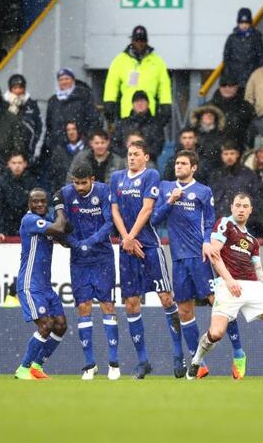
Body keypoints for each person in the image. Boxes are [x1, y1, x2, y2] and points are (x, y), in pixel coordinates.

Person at [187, 192, 263, 380]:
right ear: (232, 207)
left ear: (250, 210)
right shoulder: (225, 224)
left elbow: (259, 271)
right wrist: (229, 280)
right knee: (216, 333)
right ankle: (196, 361)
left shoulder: (252, 241)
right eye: (238, 205)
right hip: (228, 285)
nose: (241, 209)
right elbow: (214, 254)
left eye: (245, 206)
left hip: (253, 286)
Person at [151, 150, 247, 379]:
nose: (179, 166)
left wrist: (206, 242)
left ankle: (238, 353)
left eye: (183, 163)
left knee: (219, 302)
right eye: (177, 163)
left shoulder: (203, 191)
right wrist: (170, 202)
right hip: (178, 257)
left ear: (193, 167)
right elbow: (154, 219)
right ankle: (198, 362)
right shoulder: (165, 188)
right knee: (184, 309)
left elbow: (209, 221)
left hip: (199, 256)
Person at [109, 139, 182, 379]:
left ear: (146, 157)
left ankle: (178, 356)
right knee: (131, 303)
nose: (131, 158)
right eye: (129, 154)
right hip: (127, 249)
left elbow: (147, 209)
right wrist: (126, 239)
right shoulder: (117, 178)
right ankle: (143, 361)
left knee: (166, 297)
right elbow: (114, 211)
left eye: (136, 154)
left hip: (149, 246)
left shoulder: (151, 175)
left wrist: (131, 237)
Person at [53, 163, 120, 380]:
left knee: (107, 305)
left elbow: (110, 223)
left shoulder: (103, 191)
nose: (80, 187)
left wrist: (89, 242)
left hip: (102, 257)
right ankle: (90, 364)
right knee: (83, 307)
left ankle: (113, 362)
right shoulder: (65, 194)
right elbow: (59, 226)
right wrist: (76, 244)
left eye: (84, 183)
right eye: (76, 183)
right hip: (79, 259)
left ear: (92, 179)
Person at [14, 189, 70, 380]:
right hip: (30, 284)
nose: (39, 204)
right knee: (46, 325)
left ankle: (36, 366)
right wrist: (60, 207)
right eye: (35, 201)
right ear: (29, 204)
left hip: (45, 286)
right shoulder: (29, 220)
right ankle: (23, 368)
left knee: (60, 325)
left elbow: (64, 238)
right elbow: (59, 228)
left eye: (42, 201)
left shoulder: (46, 222)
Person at [103, 25, 172, 125]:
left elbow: (164, 86)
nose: (140, 43)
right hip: (127, 113)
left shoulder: (157, 62)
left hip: (149, 113)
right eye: (137, 40)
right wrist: (109, 102)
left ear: (147, 41)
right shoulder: (120, 61)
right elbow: (111, 84)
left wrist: (166, 105)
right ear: (132, 41)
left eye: (142, 40)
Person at [45, 68, 101, 163]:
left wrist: (87, 139)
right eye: (61, 79)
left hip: (81, 144)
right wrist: (51, 143)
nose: (64, 82)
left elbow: (94, 119)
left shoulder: (84, 96)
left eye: (67, 79)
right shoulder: (53, 101)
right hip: (59, 146)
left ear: (73, 80)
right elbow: (49, 126)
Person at [0, 152, 38, 241]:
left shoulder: (31, 181)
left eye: (20, 163)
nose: (17, 166)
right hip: (6, 225)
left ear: (25, 164)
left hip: (26, 225)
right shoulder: (0, 181)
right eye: (14, 163)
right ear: (9, 164)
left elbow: (35, 208)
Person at [111, 90, 165, 160]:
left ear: (148, 104)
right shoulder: (123, 123)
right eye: (136, 101)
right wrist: (129, 153)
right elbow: (114, 144)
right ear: (132, 105)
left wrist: (141, 153)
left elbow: (158, 146)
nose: (139, 104)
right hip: (125, 160)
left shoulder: (156, 124)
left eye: (142, 101)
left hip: (147, 161)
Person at [209, 142, 258, 217]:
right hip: (219, 217)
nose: (229, 157)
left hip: (240, 218)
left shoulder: (248, 174)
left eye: (232, 153)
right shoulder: (215, 175)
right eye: (226, 154)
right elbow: (210, 198)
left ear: (237, 154)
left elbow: (254, 198)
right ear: (222, 156)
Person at [3, 74, 42, 164]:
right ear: (10, 89)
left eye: (20, 87)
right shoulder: (3, 105)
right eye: (15, 88)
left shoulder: (32, 104)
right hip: (6, 152)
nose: (18, 91)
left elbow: (39, 127)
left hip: (28, 151)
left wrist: (35, 147)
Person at [208, 74, 255, 146]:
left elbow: (252, 130)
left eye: (230, 85)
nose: (227, 88)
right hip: (214, 147)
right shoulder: (209, 107)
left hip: (239, 147)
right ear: (219, 87)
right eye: (223, 85)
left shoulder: (246, 107)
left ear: (236, 87)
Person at [222, 7, 263, 87]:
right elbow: (226, 58)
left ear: (250, 23)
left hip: (251, 78)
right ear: (238, 23)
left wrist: (257, 74)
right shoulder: (232, 38)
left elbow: (261, 57)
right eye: (241, 23)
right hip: (235, 79)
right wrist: (229, 76)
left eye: (246, 23)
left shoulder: (256, 37)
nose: (244, 25)